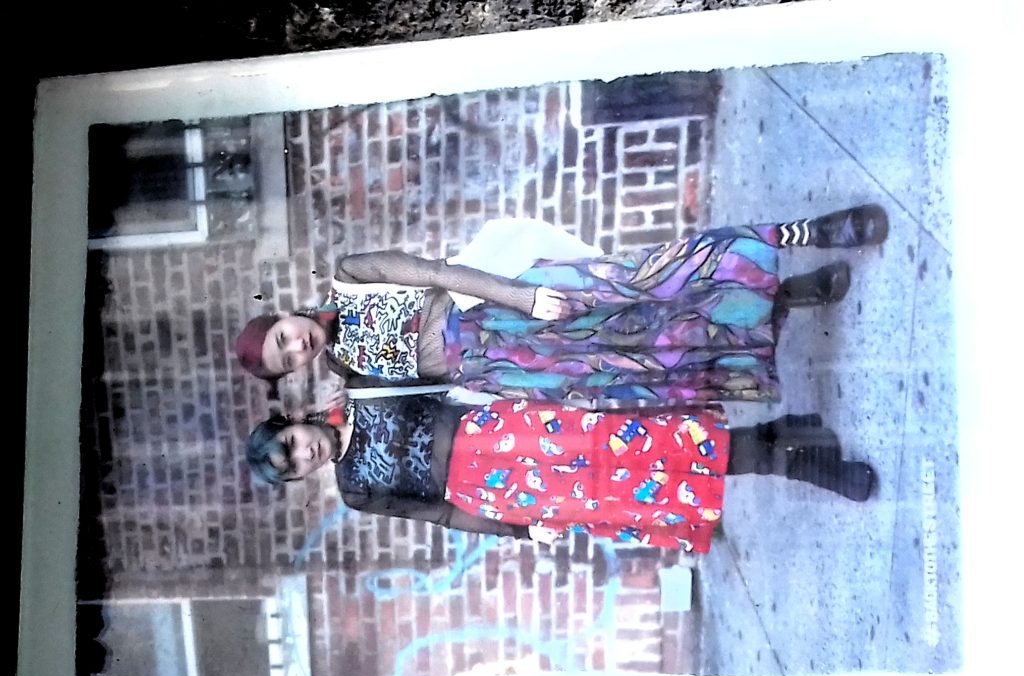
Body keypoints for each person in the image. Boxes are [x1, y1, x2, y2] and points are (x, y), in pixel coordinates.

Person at [235, 206, 889, 407]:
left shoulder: (351, 277)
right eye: (286, 360)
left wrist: (523, 295)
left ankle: (800, 234)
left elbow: (437, 273)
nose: (296, 347)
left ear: (284, 315)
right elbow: (432, 389)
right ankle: (796, 294)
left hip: (503, 303)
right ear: (293, 372)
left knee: (643, 281)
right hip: (511, 369)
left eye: (282, 336)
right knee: (649, 351)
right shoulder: (347, 373)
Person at [245, 393, 877, 553]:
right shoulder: (357, 490)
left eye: (292, 443)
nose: (304, 455)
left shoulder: (361, 390)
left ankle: (796, 457)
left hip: (505, 427)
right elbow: (440, 513)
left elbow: (447, 373)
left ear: (294, 421)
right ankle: (790, 447)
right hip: (504, 491)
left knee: (646, 447)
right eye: (293, 466)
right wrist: (519, 531)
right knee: (635, 493)